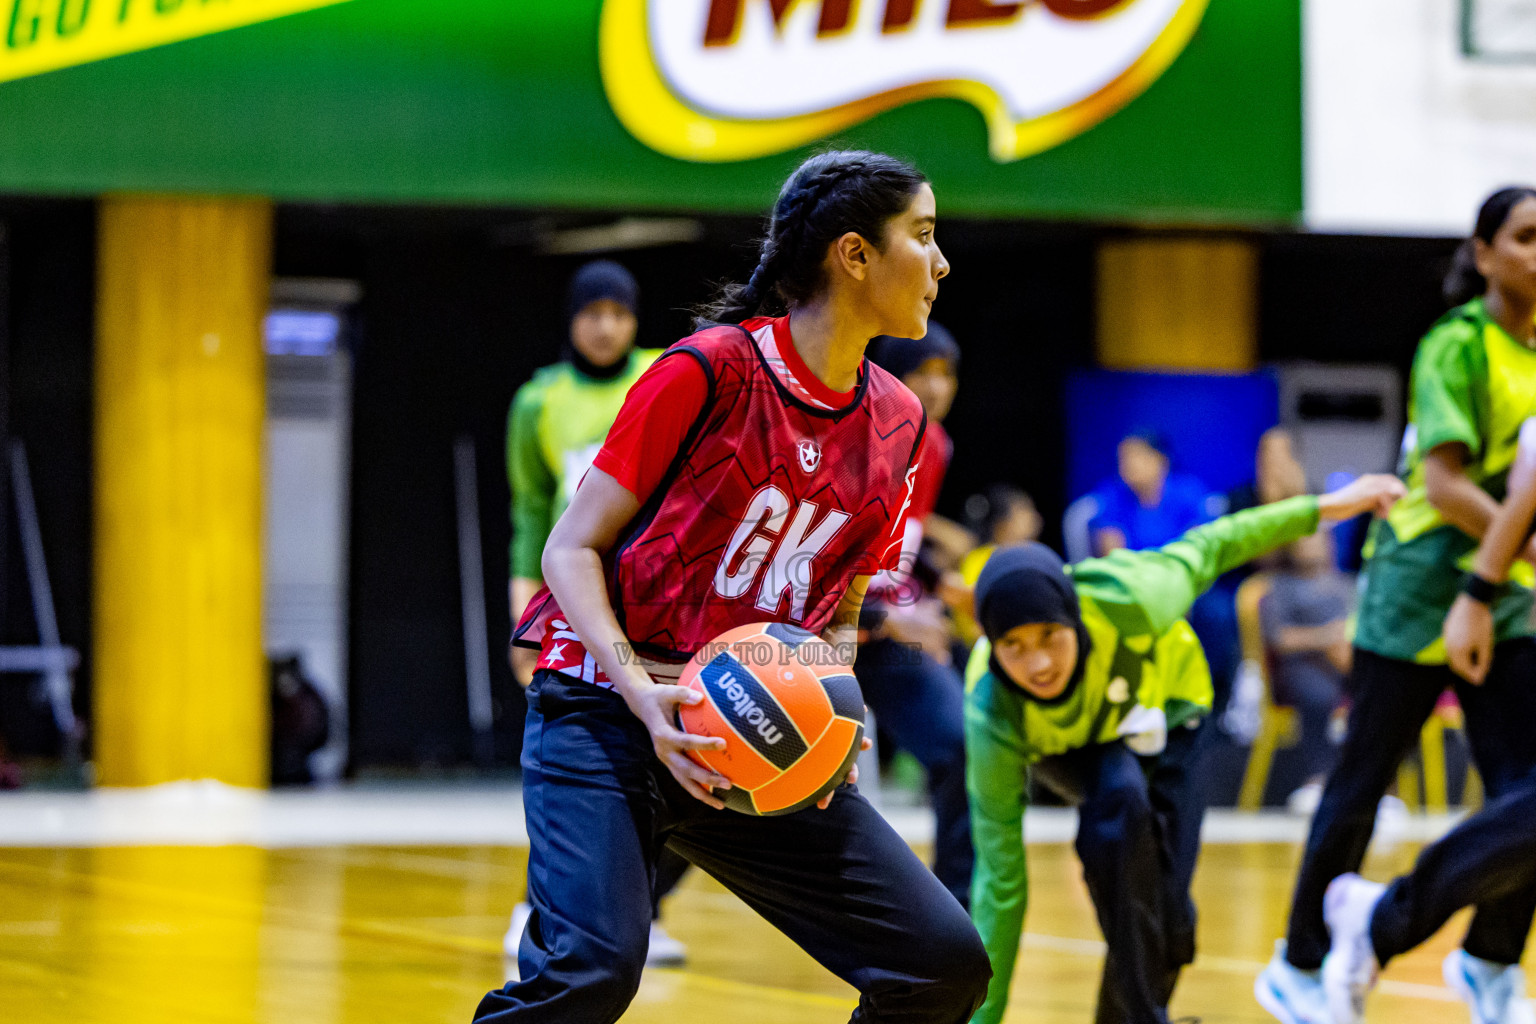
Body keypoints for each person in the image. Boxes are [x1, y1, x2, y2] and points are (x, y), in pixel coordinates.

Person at [476, 150, 990, 1024]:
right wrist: (641, 692)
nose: (941, 263)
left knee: (939, 963)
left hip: (751, 726)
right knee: (592, 973)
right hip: (609, 711)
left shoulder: (900, 423)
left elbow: (847, 593)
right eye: (924, 235)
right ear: (854, 255)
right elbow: (570, 550)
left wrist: (835, 704)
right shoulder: (707, 370)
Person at [965, 473, 1404, 1024]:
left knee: (1169, 922)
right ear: (991, 645)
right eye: (1013, 647)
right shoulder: (989, 709)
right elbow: (1000, 883)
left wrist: (1323, 507)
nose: (1038, 665)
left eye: (1049, 636)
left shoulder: (1136, 595)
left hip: (1170, 719)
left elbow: (1218, 542)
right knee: (1121, 820)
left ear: (1075, 618)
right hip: (1078, 751)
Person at [1257, 185, 1536, 1024]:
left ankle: (1489, 962)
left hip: (1507, 596)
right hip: (1419, 588)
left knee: (1524, 793)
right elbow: (1446, 486)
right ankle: (1300, 962)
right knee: (1361, 784)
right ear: (1483, 255)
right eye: (1524, 237)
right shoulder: (1457, 345)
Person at [501, 261, 688, 967]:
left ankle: (644, 907)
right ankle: (540, 912)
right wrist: (524, 615)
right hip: (574, 600)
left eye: (620, 311)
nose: (606, 326)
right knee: (577, 764)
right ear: (572, 319)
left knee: (680, 761)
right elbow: (529, 513)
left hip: (658, 595)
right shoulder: (538, 402)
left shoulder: (668, 375)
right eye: (592, 312)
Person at [1321, 416, 1536, 1024]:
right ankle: (1382, 921)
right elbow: (1527, 486)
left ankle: (1401, 926)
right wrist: (1477, 594)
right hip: (1423, 612)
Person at [857, 325, 973, 907]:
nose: (936, 386)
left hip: (880, 635)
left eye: (946, 373)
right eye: (922, 371)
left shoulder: (936, 445)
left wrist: (936, 585)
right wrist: (889, 617)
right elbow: (819, 565)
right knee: (737, 770)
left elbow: (898, 545)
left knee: (963, 744)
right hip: (814, 636)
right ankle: (636, 909)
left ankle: (956, 911)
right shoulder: (856, 437)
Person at [1259, 530, 1353, 814]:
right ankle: (1319, 780)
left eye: (1317, 538)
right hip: (1300, 668)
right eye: (1303, 538)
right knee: (1317, 692)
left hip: (1347, 666)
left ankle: (1380, 786)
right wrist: (1326, 640)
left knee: (1386, 694)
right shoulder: (1278, 587)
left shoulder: (1349, 586)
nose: (1310, 545)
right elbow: (1278, 638)